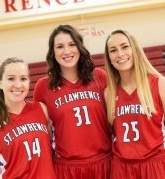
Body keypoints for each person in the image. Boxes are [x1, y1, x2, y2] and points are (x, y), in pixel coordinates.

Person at [104, 30, 165, 179]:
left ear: (135, 49)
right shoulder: (108, 93)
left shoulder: (163, 86)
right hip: (122, 170)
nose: (120, 54)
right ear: (109, 58)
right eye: (113, 50)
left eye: (125, 47)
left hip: (156, 166)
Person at [33, 24, 112, 179]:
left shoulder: (99, 76)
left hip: (104, 163)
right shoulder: (43, 86)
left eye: (72, 44)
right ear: (53, 52)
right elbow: (42, 133)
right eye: (60, 46)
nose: (67, 51)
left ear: (79, 47)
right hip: (66, 168)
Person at [0, 57, 56, 179]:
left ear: (29, 82)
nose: (18, 85)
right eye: (11, 79)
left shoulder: (41, 109)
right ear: (0, 83)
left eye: (23, 79)